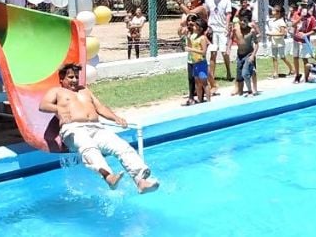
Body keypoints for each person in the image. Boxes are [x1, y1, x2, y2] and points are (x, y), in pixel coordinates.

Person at [39, 63, 160, 193]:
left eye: (77, 77)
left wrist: (115, 118)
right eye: (71, 77)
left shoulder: (84, 90)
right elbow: (43, 105)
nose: (74, 80)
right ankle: (108, 176)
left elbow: (100, 108)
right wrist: (58, 108)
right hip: (73, 129)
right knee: (88, 146)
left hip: (96, 128)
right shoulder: (57, 91)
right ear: (62, 79)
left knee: (121, 146)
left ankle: (141, 181)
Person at [205, 0, 233, 87]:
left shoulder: (226, 0)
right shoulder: (209, 0)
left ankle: (228, 71)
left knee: (224, 52)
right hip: (213, 29)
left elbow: (228, 14)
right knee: (213, 53)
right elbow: (207, 13)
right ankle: (212, 75)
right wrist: (208, 26)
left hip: (222, 29)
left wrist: (227, 27)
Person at [185, 18, 210, 104]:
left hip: (201, 62)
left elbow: (203, 52)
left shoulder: (202, 38)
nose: (193, 27)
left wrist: (191, 50)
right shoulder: (194, 37)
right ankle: (199, 100)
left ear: (200, 28)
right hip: (195, 62)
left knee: (204, 82)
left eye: (195, 26)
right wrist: (188, 38)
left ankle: (209, 101)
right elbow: (190, 46)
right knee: (197, 83)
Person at [292, 0, 316, 83]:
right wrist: (300, 17)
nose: (303, 7)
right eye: (302, 6)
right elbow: (293, 25)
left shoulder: (311, 18)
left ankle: (306, 76)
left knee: (305, 58)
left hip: (305, 41)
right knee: (295, 57)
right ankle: (297, 75)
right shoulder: (296, 14)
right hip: (296, 39)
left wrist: (306, 34)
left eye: (305, 6)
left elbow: (314, 30)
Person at [233, 16, 259, 96]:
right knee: (239, 76)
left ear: (248, 21)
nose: (243, 22)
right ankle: (240, 92)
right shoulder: (236, 29)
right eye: (241, 20)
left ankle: (251, 90)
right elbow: (231, 38)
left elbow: (257, 44)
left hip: (249, 54)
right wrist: (228, 48)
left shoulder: (251, 31)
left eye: (245, 21)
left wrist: (253, 55)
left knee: (246, 73)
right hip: (240, 55)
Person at [266, 5, 294, 78]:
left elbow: (283, 33)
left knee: (282, 57)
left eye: (274, 10)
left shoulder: (281, 22)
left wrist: (271, 34)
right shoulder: (272, 21)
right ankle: (275, 73)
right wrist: (270, 36)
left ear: (278, 13)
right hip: (273, 42)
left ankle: (292, 69)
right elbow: (273, 30)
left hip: (280, 43)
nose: (272, 11)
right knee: (274, 57)